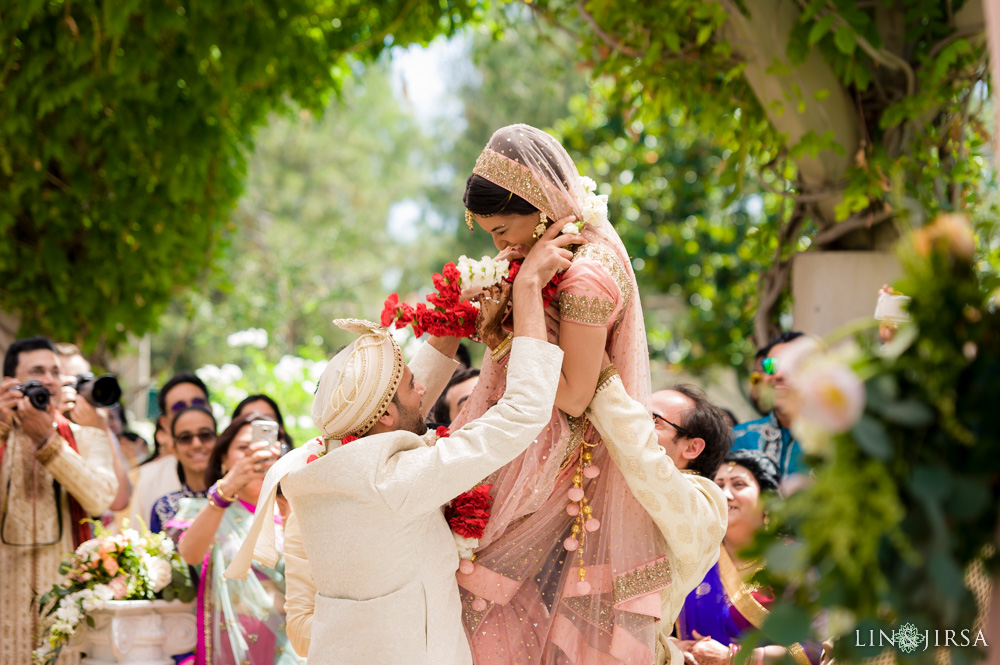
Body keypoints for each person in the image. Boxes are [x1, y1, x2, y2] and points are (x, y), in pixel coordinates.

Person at [225, 220, 574, 665]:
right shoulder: (393, 481)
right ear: (385, 414)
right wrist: (526, 290)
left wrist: (452, 321)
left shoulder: (328, 463)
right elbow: (522, 411)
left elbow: (393, 407)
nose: (424, 390)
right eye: (413, 384)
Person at [454, 123, 665, 663]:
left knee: (478, 607)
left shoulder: (584, 275)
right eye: (490, 235)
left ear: (542, 205)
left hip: (552, 466)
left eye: (503, 230)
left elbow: (571, 395)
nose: (500, 246)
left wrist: (524, 293)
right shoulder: (556, 256)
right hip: (535, 453)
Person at [586, 364, 730, 665]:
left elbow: (648, 464)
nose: (636, 421)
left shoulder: (707, 500)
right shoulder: (610, 484)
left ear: (692, 447)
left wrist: (602, 375)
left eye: (653, 420)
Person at [0, 336, 118, 665]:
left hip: (64, 616)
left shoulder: (87, 437)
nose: (50, 380)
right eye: (38, 371)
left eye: (55, 371)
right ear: (11, 383)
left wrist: (49, 442)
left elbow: (99, 498)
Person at [171, 412, 304, 665]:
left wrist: (287, 501)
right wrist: (227, 487)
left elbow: (310, 580)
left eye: (267, 448)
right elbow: (190, 554)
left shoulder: (297, 510)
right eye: (244, 448)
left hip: (288, 650)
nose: (255, 454)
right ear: (223, 459)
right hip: (229, 647)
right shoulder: (206, 512)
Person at [673, 450, 822, 665]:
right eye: (719, 485)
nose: (726, 494)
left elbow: (813, 649)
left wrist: (732, 658)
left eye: (738, 484)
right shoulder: (696, 556)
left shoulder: (792, 559)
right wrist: (675, 646)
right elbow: (660, 627)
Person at [55, 343, 132, 515]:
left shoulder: (97, 424)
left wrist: (101, 429)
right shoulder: (33, 425)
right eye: (70, 382)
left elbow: (119, 500)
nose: (80, 390)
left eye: (83, 380)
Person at [130, 372, 210, 528]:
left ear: (210, 410)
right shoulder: (147, 478)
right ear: (164, 422)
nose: (189, 411)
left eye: (198, 403)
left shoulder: (234, 469)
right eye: (178, 407)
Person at [732, 332, 807, 479]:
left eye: (790, 366)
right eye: (770, 366)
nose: (778, 375)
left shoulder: (839, 439)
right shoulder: (738, 438)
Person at [148, 405, 216, 533]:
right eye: (185, 437)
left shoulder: (238, 500)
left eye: (205, 435)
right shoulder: (164, 507)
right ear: (174, 448)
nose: (196, 444)